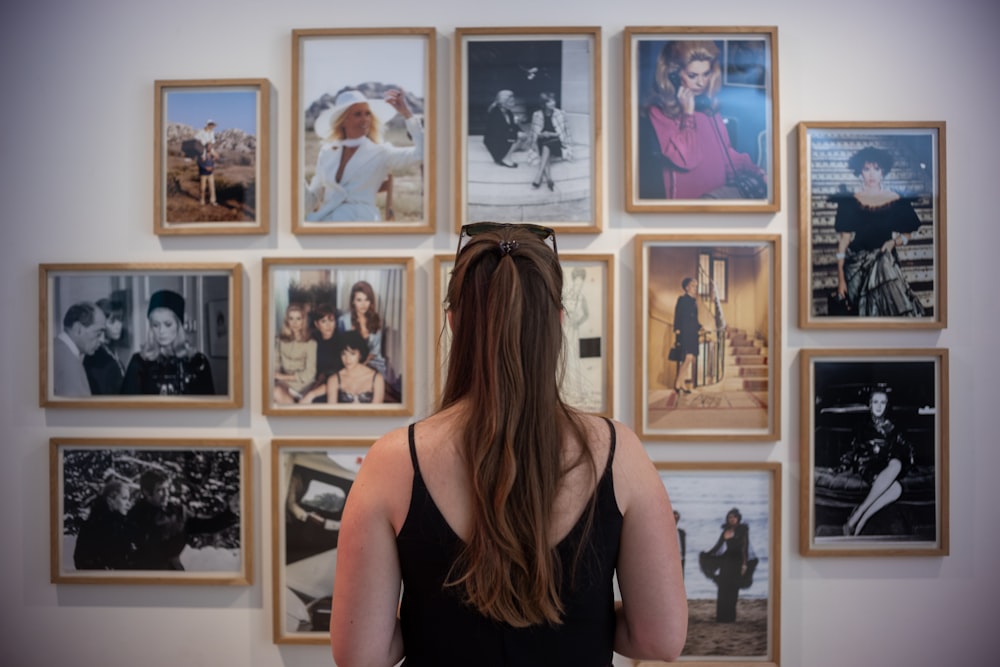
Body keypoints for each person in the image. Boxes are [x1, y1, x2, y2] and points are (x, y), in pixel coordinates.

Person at [330, 223, 687, 665]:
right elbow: (660, 639)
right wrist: (581, 618)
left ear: (454, 322)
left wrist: (435, 622)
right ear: (557, 321)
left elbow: (360, 654)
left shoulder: (393, 461)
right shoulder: (617, 453)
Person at [643, 40, 765, 199]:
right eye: (692, 75)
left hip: (717, 200)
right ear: (673, 75)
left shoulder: (708, 108)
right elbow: (687, 160)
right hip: (688, 207)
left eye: (706, 74)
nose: (701, 83)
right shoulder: (658, 112)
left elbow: (726, 155)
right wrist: (688, 114)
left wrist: (757, 172)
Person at [832, 146, 925, 317]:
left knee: (891, 309)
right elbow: (844, 241)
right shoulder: (850, 202)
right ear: (860, 171)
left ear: (883, 171)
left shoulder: (895, 199)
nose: (872, 174)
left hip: (884, 263)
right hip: (857, 267)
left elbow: (907, 234)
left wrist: (893, 242)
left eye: (876, 169)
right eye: (867, 169)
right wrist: (841, 278)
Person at [305, 88, 422, 222]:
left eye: (367, 114)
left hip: (361, 222)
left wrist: (407, 115)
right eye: (358, 114)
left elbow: (421, 154)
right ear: (343, 120)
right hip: (326, 222)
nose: (365, 119)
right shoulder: (327, 152)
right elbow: (311, 202)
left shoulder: (381, 152)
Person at [837, 386, 915, 536]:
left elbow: (906, 447)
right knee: (895, 486)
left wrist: (906, 458)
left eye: (883, 402)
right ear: (870, 404)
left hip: (889, 465)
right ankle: (858, 518)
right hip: (869, 464)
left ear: (887, 405)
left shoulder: (894, 427)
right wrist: (843, 466)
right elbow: (852, 450)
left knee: (897, 474)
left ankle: (858, 520)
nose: (879, 406)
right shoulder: (862, 426)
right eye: (875, 402)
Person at [126, 469, 239, 570]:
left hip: (174, 573)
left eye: (167, 488)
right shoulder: (134, 517)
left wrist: (230, 513)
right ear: (146, 493)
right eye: (160, 490)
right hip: (144, 576)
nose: (166, 494)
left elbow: (206, 525)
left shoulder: (178, 512)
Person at [121, 290, 215, 395]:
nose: (161, 331)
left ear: (179, 326)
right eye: (156, 325)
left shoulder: (198, 362)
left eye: (168, 324)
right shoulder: (139, 362)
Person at [699, 508, 754, 623]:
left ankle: (731, 617)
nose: (731, 519)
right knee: (723, 589)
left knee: (733, 589)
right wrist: (706, 554)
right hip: (726, 562)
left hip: (737, 562)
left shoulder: (743, 531)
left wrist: (744, 565)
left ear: (738, 518)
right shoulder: (725, 532)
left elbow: (745, 548)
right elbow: (717, 547)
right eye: (729, 517)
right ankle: (721, 617)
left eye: (733, 517)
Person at [73, 480, 133, 570]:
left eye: (128, 499)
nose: (129, 504)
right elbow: (82, 560)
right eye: (124, 498)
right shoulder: (93, 526)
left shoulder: (124, 524)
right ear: (110, 499)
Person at [53, 301, 106, 397]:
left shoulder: (55, 347)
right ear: (78, 329)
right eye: (98, 333)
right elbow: (78, 411)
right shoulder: (69, 363)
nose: (102, 340)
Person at [337, 280, 385, 376]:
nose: (364, 304)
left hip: (373, 363)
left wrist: (362, 365)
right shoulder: (343, 320)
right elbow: (341, 347)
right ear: (353, 301)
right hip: (350, 363)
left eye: (367, 299)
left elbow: (375, 351)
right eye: (359, 300)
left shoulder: (376, 319)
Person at [273, 303, 317, 404]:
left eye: (298, 319)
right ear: (287, 321)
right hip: (284, 383)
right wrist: (275, 374)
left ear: (303, 321)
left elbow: (310, 373)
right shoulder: (280, 340)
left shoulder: (311, 343)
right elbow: (276, 363)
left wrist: (282, 377)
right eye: (291, 318)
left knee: (276, 393)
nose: (295, 323)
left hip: (303, 384)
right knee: (270, 393)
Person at [325, 330, 385, 404]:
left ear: (360, 354)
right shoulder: (334, 380)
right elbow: (332, 413)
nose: (347, 359)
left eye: (352, 354)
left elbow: (377, 413)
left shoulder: (376, 378)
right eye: (343, 354)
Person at [300, 302, 342, 404]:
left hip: (335, 385)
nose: (328, 325)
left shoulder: (342, 341)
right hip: (312, 383)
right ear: (316, 324)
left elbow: (339, 375)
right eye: (323, 321)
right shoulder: (312, 340)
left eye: (331, 320)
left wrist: (314, 390)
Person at [84, 297, 127, 395]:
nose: (119, 326)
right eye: (112, 322)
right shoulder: (95, 356)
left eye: (120, 320)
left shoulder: (110, 350)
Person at [530, 92, 572, 190]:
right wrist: (541, 135)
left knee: (546, 146)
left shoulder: (561, 113)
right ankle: (549, 179)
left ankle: (539, 175)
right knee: (545, 146)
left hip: (557, 140)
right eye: (549, 102)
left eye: (553, 100)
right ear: (543, 104)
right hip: (543, 140)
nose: (553, 103)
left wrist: (568, 144)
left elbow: (566, 130)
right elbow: (535, 132)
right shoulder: (536, 114)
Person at [672, 277, 702, 394]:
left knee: (689, 359)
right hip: (685, 332)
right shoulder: (682, 299)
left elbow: (694, 319)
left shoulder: (694, 301)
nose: (695, 288)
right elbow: (677, 315)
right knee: (687, 358)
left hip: (693, 333)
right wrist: (677, 329)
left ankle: (680, 383)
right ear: (687, 287)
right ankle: (679, 383)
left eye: (696, 286)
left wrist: (700, 326)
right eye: (693, 286)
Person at [483, 89, 524, 168]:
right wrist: (515, 135)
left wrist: (519, 130)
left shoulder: (508, 112)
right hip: (494, 140)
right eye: (511, 101)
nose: (513, 102)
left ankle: (507, 154)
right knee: (518, 137)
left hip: (503, 136)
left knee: (522, 136)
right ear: (503, 103)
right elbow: (497, 132)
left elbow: (512, 126)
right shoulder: (495, 113)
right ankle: (505, 159)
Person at [674, 510, 686, 577]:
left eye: (677, 518)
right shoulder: (666, 532)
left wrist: (683, 556)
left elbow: (683, 545)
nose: (675, 520)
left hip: (681, 558)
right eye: (674, 518)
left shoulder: (681, 532)